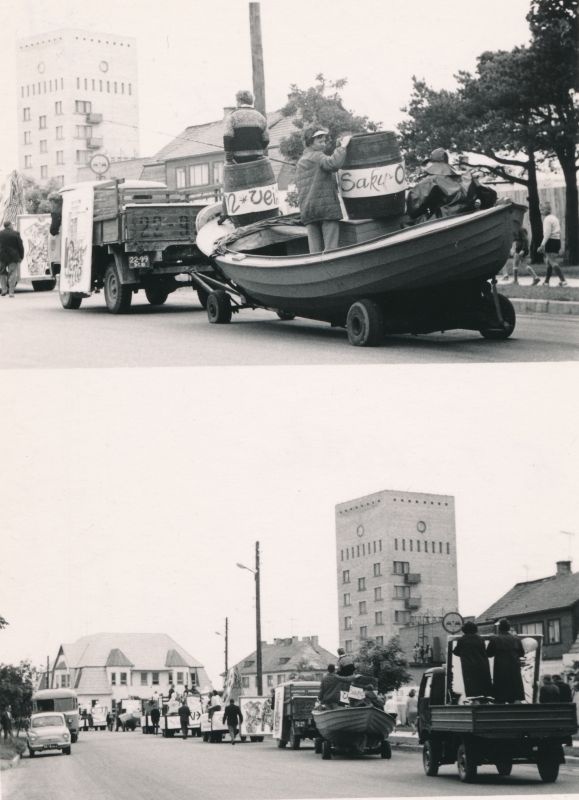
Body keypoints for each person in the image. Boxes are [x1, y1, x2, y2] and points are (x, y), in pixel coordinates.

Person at [295, 127, 352, 254]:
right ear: (310, 141)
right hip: (325, 207)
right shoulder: (317, 156)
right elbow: (333, 164)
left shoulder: (302, 160)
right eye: (319, 138)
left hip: (308, 209)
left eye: (324, 139)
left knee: (314, 252)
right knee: (331, 250)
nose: (323, 141)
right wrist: (343, 147)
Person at [223, 90, 269, 165]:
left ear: (239, 101)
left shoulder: (232, 116)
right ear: (251, 101)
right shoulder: (261, 117)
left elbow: (227, 137)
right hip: (257, 159)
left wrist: (229, 159)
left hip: (238, 160)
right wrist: (258, 151)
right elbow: (266, 139)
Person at [486, 618, 525, 703]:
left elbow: (489, 654)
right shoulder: (516, 639)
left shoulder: (495, 639)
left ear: (499, 628)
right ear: (509, 628)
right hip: (514, 668)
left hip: (500, 668)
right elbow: (521, 653)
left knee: (500, 692)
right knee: (514, 691)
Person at [453, 621, 493, 699]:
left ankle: (475, 700)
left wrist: (463, 655)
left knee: (472, 685)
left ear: (464, 629)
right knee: (482, 683)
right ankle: (484, 699)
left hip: (469, 665)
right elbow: (483, 650)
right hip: (482, 664)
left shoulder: (462, 640)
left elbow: (456, 652)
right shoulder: (480, 639)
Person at [539, 202, 567, 286]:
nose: (541, 211)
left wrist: (542, 245)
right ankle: (546, 281)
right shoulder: (554, 218)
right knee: (549, 262)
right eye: (540, 209)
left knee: (552, 261)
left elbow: (547, 234)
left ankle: (563, 281)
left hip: (550, 241)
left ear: (548, 210)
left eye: (543, 209)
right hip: (557, 241)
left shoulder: (547, 219)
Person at [0, 220, 25, 298]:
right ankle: (11, 292)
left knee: (2, 273)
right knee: (13, 273)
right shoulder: (16, 234)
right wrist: (21, 256)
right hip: (13, 257)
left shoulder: (0, 234)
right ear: (10, 225)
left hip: (2, 256)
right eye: (12, 225)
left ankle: (4, 290)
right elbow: (20, 246)